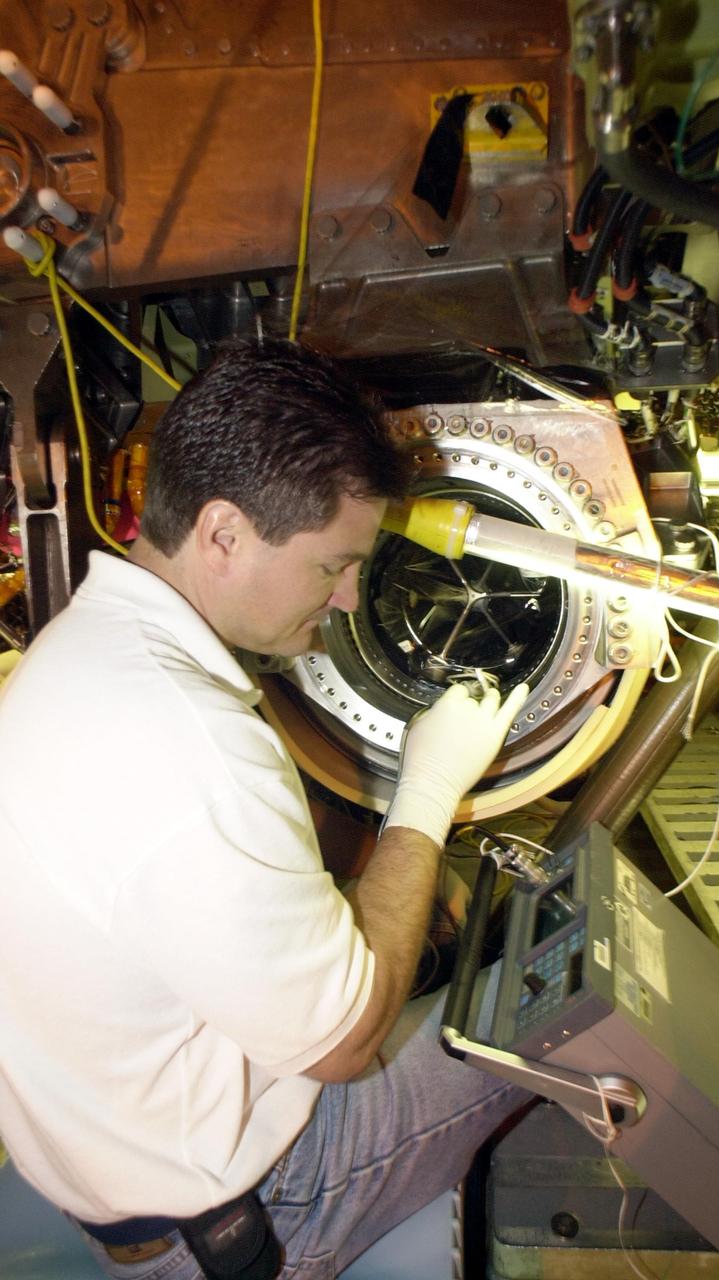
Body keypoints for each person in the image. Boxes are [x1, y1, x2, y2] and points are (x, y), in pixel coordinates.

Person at [0, 339, 530, 1279]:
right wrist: (428, 792)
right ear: (223, 533)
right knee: (560, 1021)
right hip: (256, 1204)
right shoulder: (189, 740)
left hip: (116, 1158)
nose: (352, 594)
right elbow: (347, 1041)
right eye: (335, 563)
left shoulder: (69, 657)